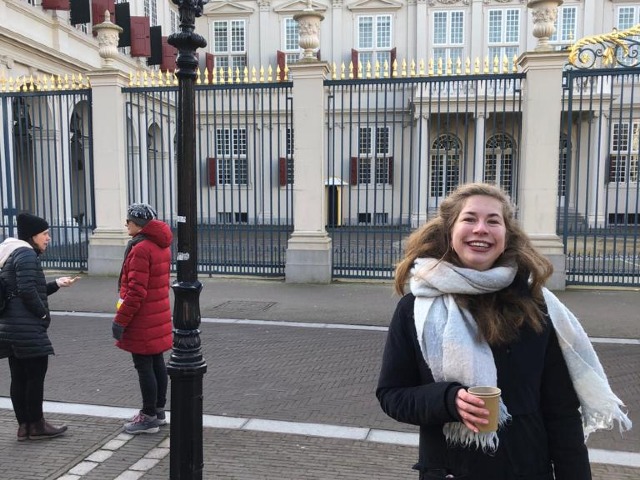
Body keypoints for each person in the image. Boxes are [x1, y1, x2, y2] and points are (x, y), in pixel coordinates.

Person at [376, 183, 631, 480]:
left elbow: (561, 411)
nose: (481, 229)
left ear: (507, 235)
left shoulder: (536, 305)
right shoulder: (415, 309)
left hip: (528, 470)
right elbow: (392, 394)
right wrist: (448, 400)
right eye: (469, 219)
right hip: (449, 470)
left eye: (493, 221)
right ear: (449, 231)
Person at [0, 212, 79, 441]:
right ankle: (37, 425)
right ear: (33, 236)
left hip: (10, 327)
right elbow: (26, 290)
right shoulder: (26, 254)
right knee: (35, 375)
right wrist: (43, 315)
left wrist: (55, 284)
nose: (48, 238)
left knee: (19, 377)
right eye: (45, 234)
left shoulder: (10, 253)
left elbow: (22, 287)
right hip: (26, 327)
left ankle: (24, 427)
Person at [112, 203, 173, 434]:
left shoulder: (141, 248)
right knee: (156, 361)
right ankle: (158, 411)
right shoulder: (161, 245)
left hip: (142, 318)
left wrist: (121, 319)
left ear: (138, 223)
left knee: (144, 366)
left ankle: (148, 417)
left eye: (128, 220)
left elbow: (136, 290)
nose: (125, 224)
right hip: (157, 314)